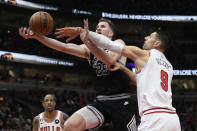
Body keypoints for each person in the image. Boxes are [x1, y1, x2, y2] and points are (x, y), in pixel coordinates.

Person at [57, 20, 181, 131]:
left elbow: (111, 46)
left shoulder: (144, 54)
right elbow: (139, 82)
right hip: (172, 119)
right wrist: (122, 67)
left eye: (150, 37)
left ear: (157, 43)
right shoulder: (168, 66)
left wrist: (82, 31)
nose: (145, 37)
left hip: (154, 117)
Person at [19, 18, 137, 131]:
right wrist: (38, 37)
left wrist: (87, 41)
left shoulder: (118, 43)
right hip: (101, 101)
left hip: (122, 101)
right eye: (97, 27)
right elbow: (63, 47)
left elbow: (110, 59)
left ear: (111, 33)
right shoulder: (89, 49)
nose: (98, 28)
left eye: (103, 26)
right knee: (70, 125)